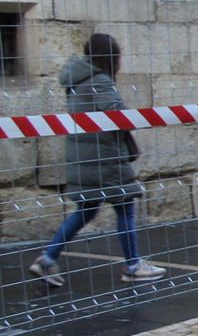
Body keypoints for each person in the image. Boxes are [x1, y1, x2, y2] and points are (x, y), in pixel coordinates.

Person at [28, 34, 166, 287]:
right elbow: (118, 116)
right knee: (125, 205)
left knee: (86, 209)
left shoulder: (77, 80)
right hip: (105, 156)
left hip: (85, 156)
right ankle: (133, 265)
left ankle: (48, 258)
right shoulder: (99, 81)